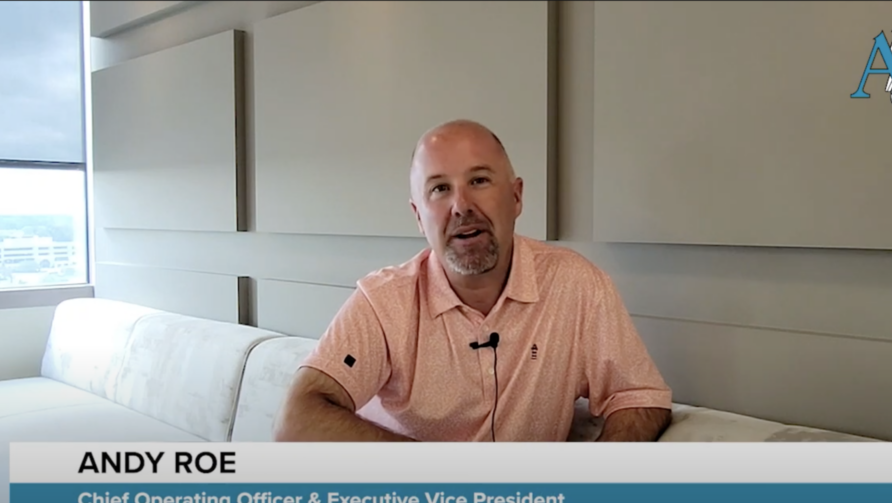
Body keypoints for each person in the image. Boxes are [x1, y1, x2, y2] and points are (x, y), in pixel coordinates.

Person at [273, 119, 672, 442]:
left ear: (516, 197)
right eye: (440, 189)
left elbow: (640, 396)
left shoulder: (577, 285)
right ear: (418, 216)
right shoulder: (384, 303)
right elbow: (297, 421)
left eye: (479, 181)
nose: (461, 206)